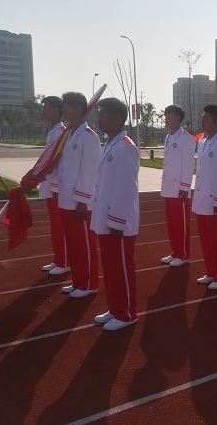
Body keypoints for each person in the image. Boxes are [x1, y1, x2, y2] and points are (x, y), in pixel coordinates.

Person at [91, 98, 139, 331]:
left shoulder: (126, 147)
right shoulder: (110, 144)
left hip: (117, 222)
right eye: (99, 114)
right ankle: (115, 307)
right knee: (110, 268)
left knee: (121, 268)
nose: (99, 119)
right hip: (105, 216)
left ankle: (127, 313)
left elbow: (126, 186)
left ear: (117, 119)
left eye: (103, 115)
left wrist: (117, 221)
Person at [58, 92, 101, 298]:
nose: (64, 109)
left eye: (67, 106)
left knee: (84, 244)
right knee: (74, 244)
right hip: (66, 198)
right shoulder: (68, 134)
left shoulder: (89, 137)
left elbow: (90, 170)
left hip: (79, 201)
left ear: (78, 109)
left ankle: (89, 284)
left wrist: (83, 199)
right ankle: (78, 280)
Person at [192, 105, 217, 290]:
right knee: (206, 240)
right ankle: (210, 271)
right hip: (201, 199)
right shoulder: (202, 142)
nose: (202, 120)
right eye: (202, 117)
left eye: (206, 118)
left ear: (216, 122)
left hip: (214, 199)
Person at [160, 105, 195, 267]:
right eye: (165, 116)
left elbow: (188, 164)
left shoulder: (186, 138)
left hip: (179, 188)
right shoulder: (169, 136)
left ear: (177, 118)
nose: (166, 119)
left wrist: (185, 186)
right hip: (168, 186)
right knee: (172, 224)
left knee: (181, 223)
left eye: (169, 116)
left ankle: (183, 254)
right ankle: (175, 251)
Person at [38, 96, 69, 275]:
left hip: (56, 186)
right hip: (50, 184)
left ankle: (64, 261)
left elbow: (60, 161)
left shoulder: (61, 132)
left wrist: (56, 186)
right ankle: (58, 258)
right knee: (55, 225)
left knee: (60, 225)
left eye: (47, 108)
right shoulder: (52, 131)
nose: (44, 111)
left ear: (56, 111)